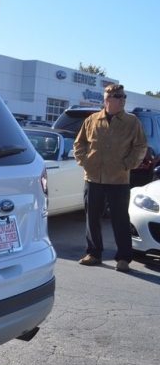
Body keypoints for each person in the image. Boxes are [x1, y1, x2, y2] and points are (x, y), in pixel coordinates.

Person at [73, 84, 147, 272]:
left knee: (120, 219)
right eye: (118, 96)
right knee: (92, 219)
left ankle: (123, 258)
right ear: (107, 100)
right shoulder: (92, 120)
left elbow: (140, 146)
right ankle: (94, 253)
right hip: (93, 178)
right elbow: (79, 143)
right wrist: (84, 161)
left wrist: (127, 164)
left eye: (123, 96)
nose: (122, 99)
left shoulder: (132, 122)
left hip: (118, 179)